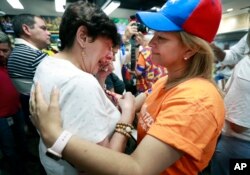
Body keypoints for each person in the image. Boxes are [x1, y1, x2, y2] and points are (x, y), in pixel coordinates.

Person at [30, 0, 225, 174]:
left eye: (162, 38)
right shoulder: (165, 81)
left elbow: (137, 168)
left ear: (190, 49)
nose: (150, 44)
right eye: (154, 35)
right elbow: (131, 102)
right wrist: (108, 94)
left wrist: (55, 136)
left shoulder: (197, 101)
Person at [31, 2, 135, 175]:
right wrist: (128, 115)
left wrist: (100, 79)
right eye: (107, 46)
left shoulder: (48, 63)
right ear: (83, 37)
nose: (108, 56)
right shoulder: (80, 81)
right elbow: (105, 165)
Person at [210, 30, 250, 175]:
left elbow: (238, 125)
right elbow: (231, 56)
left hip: (240, 144)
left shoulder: (246, 74)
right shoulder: (247, 43)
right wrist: (214, 48)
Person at [7, 14, 51, 134]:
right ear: (26, 29)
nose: (49, 33)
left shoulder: (16, 53)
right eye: (43, 28)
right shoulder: (34, 56)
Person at [0, 31, 27, 175]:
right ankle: (18, 170)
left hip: (16, 110)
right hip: (1, 117)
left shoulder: (10, 64)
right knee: (8, 146)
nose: (1, 54)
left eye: (5, 50)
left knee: (21, 139)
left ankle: (25, 158)